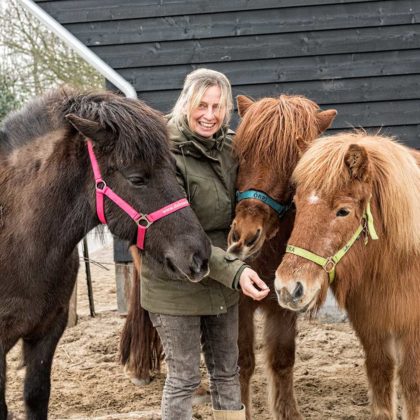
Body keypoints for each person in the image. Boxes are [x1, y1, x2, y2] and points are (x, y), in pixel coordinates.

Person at [140, 68, 269, 420]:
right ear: (186, 103)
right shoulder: (163, 155)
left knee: (228, 372)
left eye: (218, 107)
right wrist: (237, 271)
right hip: (176, 283)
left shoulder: (229, 148)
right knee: (183, 378)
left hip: (221, 283)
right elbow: (182, 237)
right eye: (202, 105)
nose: (210, 116)